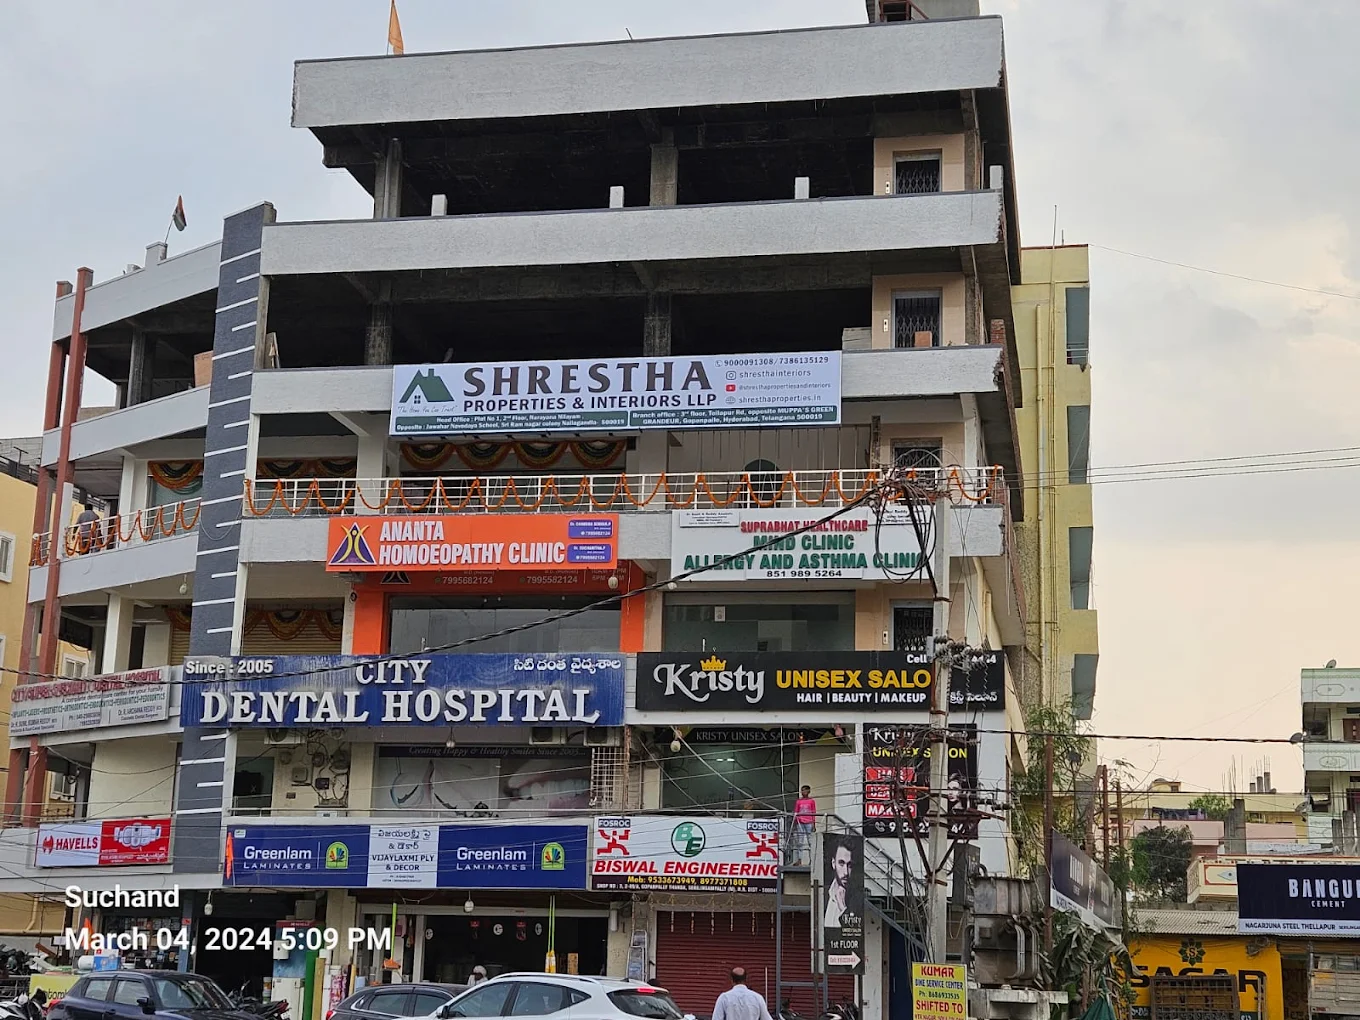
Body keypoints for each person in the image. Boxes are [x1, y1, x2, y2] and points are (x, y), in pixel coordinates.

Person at [825, 842, 854, 929]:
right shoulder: (824, 894)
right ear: (833, 863)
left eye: (849, 865)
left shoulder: (856, 898)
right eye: (841, 863)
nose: (846, 872)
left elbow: (853, 929)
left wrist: (843, 908)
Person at [791, 786, 816, 865]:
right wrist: (795, 823)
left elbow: (813, 812)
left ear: (808, 791)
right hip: (800, 822)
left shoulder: (811, 801)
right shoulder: (799, 801)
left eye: (805, 790)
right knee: (800, 842)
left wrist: (813, 824)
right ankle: (799, 859)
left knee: (810, 841)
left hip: (809, 822)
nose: (803, 792)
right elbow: (796, 812)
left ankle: (812, 860)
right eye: (802, 790)